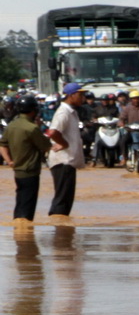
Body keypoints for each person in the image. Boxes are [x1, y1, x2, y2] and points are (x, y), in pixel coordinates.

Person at [4, 95, 52, 224]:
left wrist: (9, 161)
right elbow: (46, 146)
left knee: (20, 202)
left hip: (17, 170)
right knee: (27, 207)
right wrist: (40, 127)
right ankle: (24, 232)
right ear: (33, 110)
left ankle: (19, 232)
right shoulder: (32, 128)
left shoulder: (11, 125)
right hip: (30, 171)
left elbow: (2, 145)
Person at [45, 82, 84, 220]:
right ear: (71, 95)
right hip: (63, 162)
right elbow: (53, 132)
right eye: (80, 95)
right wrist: (64, 144)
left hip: (68, 162)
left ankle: (61, 230)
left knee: (65, 199)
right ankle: (58, 230)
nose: (83, 98)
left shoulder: (70, 112)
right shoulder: (63, 112)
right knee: (62, 199)